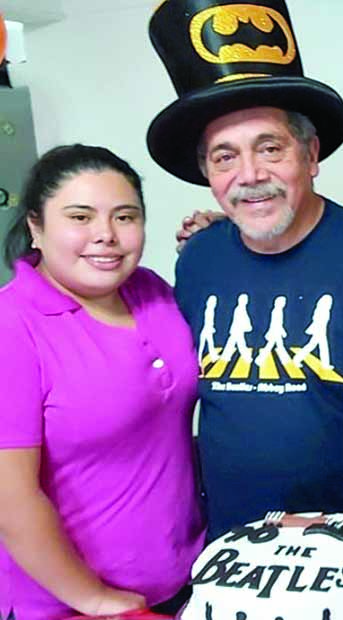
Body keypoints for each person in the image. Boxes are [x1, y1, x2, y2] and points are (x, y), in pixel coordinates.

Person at [145, 2, 343, 619]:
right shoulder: (198, 260)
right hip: (237, 559)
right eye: (225, 156)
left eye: (270, 147)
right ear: (207, 173)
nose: (250, 175)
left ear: (311, 154)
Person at [0, 144, 205, 620]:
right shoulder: (12, 325)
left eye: (125, 217)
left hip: (183, 578)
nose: (106, 235)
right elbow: (10, 497)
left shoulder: (152, 291)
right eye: (80, 217)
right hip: (68, 604)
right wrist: (92, 598)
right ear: (36, 226)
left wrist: (218, 241)